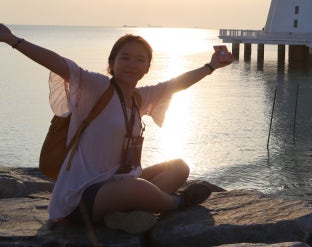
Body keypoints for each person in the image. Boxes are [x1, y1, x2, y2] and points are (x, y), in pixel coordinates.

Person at [0, 23, 233, 234]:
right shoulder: (96, 88)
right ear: (112, 63)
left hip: (119, 183)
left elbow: (175, 85)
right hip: (82, 197)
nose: (132, 64)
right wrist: (13, 40)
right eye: (125, 57)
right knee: (135, 188)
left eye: (140, 60)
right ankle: (179, 203)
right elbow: (59, 63)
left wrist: (211, 66)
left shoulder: (138, 99)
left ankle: (125, 215)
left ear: (147, 68)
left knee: (179, 167)